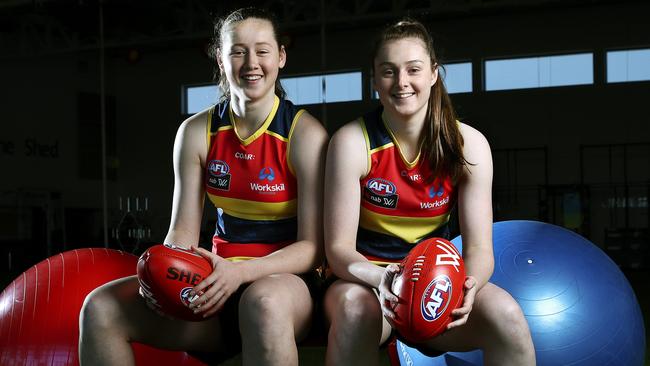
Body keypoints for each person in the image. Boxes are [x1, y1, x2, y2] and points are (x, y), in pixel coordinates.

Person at [79, 7, 327, 366]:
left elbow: (312, 248)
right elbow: (182, 231)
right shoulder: (196, 132)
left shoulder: (305, 135)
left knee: (263, 302)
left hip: (286, 287)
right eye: (238, 51)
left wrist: (239, 273)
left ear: (281, 57)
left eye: (262, 50)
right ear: (220, 58)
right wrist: (161, 278)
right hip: (215, 283)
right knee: (100, 308)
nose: (251, 62)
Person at [323, 19, 535, 366]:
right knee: (353, 311)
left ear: (434, 74)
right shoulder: (351, 142)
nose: (402, 82)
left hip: (439, 286)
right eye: (388, 71)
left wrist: (468, 287)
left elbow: (480, 248)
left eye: (413, 69)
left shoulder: (469, 145)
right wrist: (385, 279)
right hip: (369, 282)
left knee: (507, 316)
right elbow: (338, 251)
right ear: (374, 79)